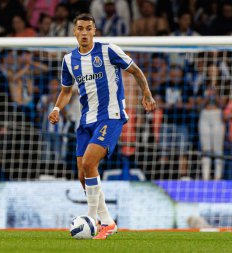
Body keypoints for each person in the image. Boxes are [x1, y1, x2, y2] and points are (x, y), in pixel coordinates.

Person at [48, 13, 156, 239]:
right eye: (80, 28)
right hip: (86, 120)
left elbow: (135, 70)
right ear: (74, 32)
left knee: (89, 162)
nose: (85, 33)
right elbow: (66, 91)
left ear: (94, 31)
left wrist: (146, 93)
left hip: (111, 116)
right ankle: (108, 221)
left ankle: (92, 221)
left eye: (89, 28)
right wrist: (57, 109)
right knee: (82, 174)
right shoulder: (69, 60)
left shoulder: (108, 50)